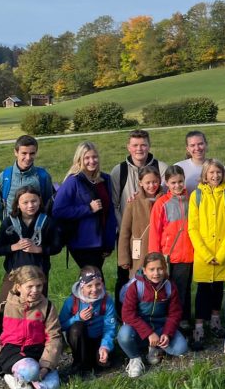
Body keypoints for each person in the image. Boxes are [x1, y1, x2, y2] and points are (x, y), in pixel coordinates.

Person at [0, 265, 63, 389]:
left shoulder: (48, 308)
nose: (35, 290)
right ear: (18, 287)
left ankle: (29, 375)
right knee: (28, 382)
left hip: (37, 351)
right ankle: (11, 375)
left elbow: (54, 336)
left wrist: (46, 366)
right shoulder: (3, 308)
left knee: (49, 388)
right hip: (11, 352)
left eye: (39, 286)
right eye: (30, 286)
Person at [188, 159, 225, 346]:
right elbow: (192, 228)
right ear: (204, 175)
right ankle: (199, 326)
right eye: (211, 172)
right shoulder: (196, 196)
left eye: (218, 172)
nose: (215, 176)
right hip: (203, 254)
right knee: (203, 290)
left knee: (219, 288)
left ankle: (216, 320)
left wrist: (222, 252)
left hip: (223, 253)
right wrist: (206, 253)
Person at [118, 252, 188, 378]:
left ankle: (154, 347)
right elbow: (127, 314)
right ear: (144, 271)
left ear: (165, 269)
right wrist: (149, 333)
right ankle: (135, 358)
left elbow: (175, 313)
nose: (156, 273)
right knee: (124, 335)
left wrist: (167, 333)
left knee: (181, 348)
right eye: (152, 269)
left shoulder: (169, 287)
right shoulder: (135, 287)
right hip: (139, 327)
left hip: (160, 326)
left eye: (160, 269)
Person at [51, 141, 118, 273]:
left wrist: (109, 242)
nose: (91, 161)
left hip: (102, 241)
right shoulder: (73, 181)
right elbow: (58, 211)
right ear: (79, 160)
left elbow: (109, 212)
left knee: (92, 280)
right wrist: (88, 208)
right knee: (94, 280)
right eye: (86, 158)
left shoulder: (105, 179)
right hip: (82, 243)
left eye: (94, 157)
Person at [0, 185, 62, 302]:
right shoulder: (8, 222)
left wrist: (39, 249)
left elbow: (57, 247)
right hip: (14, 273)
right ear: (17, 204)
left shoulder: (48, 222)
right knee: (5, 305)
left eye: (34, 201)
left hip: (39, 274)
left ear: (40, 201)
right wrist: (14, 247)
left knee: (37, 308)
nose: (30, 205)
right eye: (25, 202)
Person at [149, 165, 195, 333]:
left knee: (185, 289)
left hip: (189, 254)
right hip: (169, 256)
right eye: (173, 183)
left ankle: (183, 319)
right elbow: (155, 231)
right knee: (172, 291)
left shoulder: (192, 200)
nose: (177, 186)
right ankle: (175, 321)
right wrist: (155, 258)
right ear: (166, 183)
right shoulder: (162, 203)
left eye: (180, 182)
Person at [116, 166, 163, 304]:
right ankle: (134, 316)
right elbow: (125, 231)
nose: (151, 185)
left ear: (159, 181)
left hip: (160, 251)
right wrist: (124, 258)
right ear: (140, 183)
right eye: (147, 182)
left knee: (159, 285)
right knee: (138, 286)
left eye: (155, 182)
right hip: (139, 253)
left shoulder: (165, 199)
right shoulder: (133, 202)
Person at [59, 266, 117, 374]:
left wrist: (105, 346)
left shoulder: (107, 301)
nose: (94, 289)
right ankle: (78, 362)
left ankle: (97, 357)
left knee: (102, 364)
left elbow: (110, 328)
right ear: (82, 287)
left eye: (98, 284)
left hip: (99, 339)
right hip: (81, 340)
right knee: (76, 327)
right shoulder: (72, 301)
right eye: (89, 286)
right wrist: (78, 318)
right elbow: (61, 325)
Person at [110, 129, 168, 223]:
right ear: (128, 147)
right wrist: (123, 228)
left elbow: (169, 199)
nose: (139, 149)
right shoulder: (119, 171)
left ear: (149, 146)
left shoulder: (162, 168)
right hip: (129, 230)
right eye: (135, 145)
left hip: (157, 226)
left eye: (143, 145)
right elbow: (113, 205)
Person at [0, 134, 54, 220]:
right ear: (16, 152)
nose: (28, 157)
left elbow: (48, 205)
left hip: (37, 228)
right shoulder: (3, 178)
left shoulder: (43, 176)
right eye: (24, 153)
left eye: (32, 153)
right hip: (12, 229)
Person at [175, 131, 209, 195]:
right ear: (187, 148)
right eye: (192, 145)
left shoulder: (217, 167)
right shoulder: (178, 167)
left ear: (206, 144)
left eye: (200, 144)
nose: (197, 148)